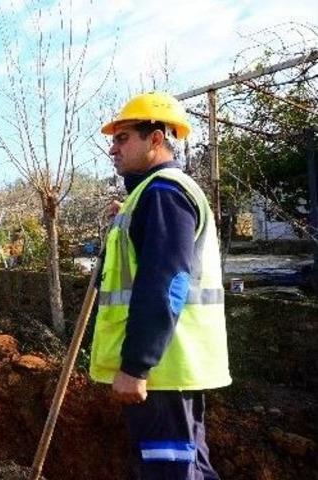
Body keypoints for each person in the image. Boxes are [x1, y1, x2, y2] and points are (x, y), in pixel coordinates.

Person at [91, 92, 231, 479]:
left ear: (156, 139)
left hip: (162, 370)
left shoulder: (164, 194)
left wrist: (136, 366)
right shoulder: (152, 196)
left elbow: (165, 283)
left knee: (169, 469)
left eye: (123, 139)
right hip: (170, 368)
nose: (112, 149)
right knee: (187, 466)